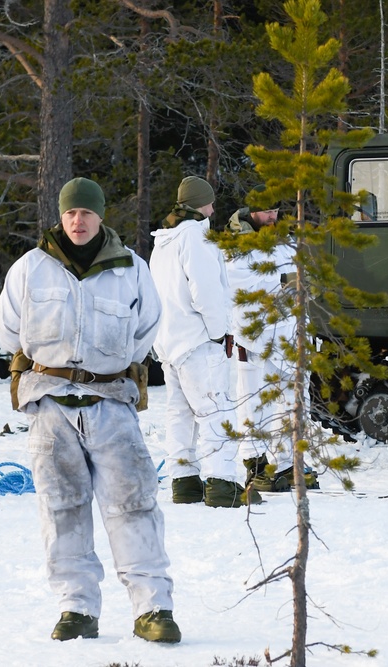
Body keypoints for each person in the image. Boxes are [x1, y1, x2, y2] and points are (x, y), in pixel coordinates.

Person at [0, 177, 180, 644]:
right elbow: (8, 329)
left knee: (134, 506)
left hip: (111, 403)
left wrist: (107, 368)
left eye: (86, 213)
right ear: (61, 215)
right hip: (52, 408)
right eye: (70, 213)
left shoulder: (130, 270)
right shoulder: (30, 268)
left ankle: (153, 608)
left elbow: (147, 327)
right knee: (61, 510)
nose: (78, 221)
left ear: (101, 216)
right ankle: (76, 608)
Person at [149, 176, 259, 508]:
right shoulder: (197, 235)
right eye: (210, 202)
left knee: (180, 414)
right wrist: (218, 332)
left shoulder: (164, 239)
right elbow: (206, 290)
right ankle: (222, 484)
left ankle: (184, 483)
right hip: (198, 340)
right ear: (201, 204)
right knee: (215, 410)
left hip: (170, 341)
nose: (214, 208)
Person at [224, 199, 317, 492]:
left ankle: (289, 464)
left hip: (286, 334)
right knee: (253, 404)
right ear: (251, 212)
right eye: (266, 211)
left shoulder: (285, 241)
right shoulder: (237, 244)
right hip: (253, 337)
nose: (272, 216)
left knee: (291, 403)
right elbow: (236, 284)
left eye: (275, 211)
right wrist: (282, 281)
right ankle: (256, 466)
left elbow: (302, 279)